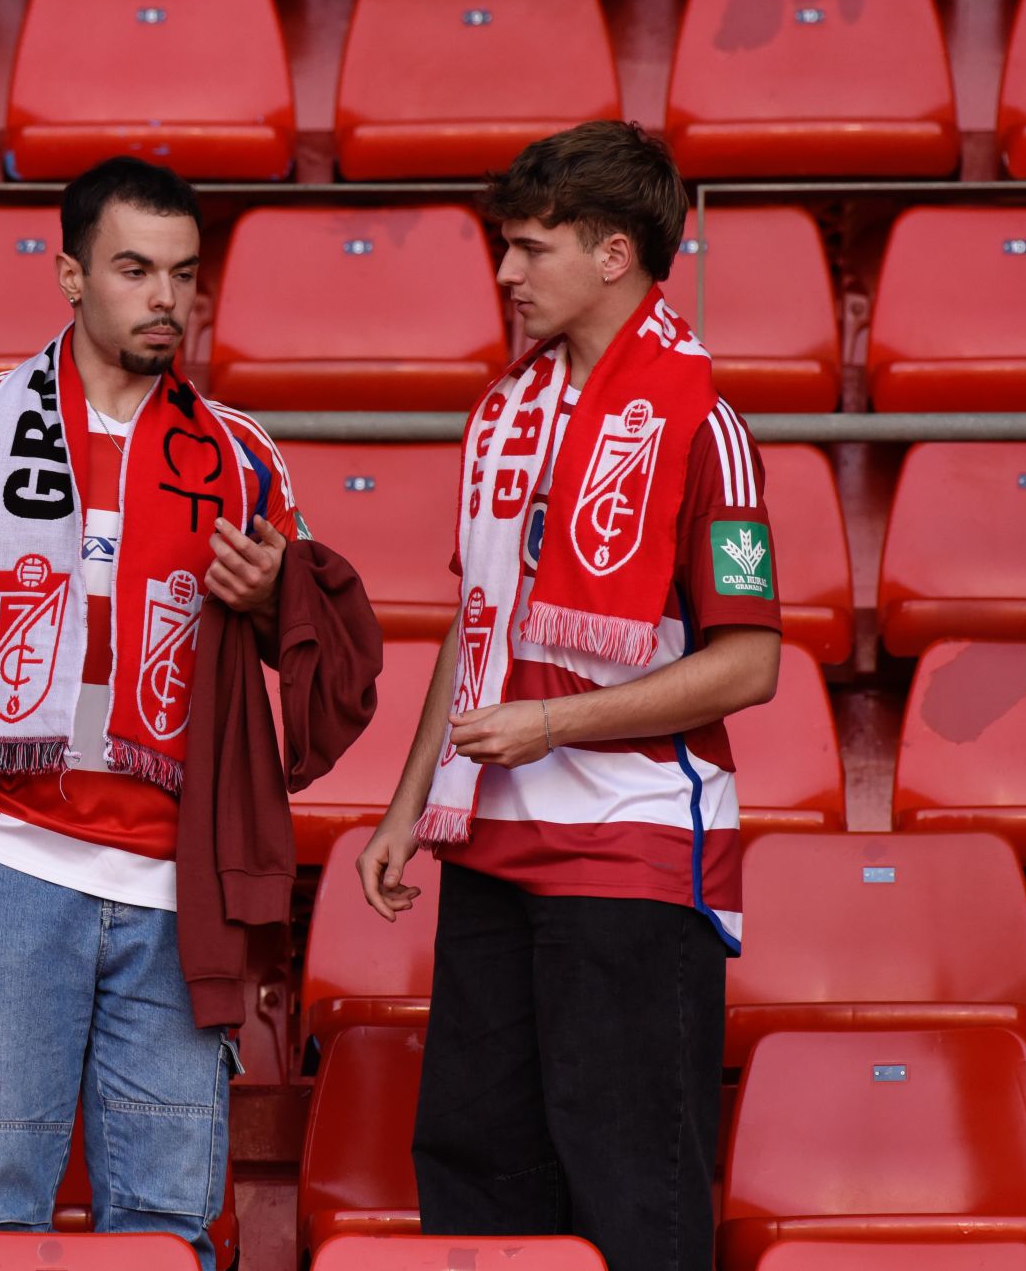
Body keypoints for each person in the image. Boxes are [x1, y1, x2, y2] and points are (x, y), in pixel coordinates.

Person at [0, 156, 300, 1269]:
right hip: (11, 856)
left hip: (180, 881)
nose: (164, 299)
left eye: (183, 274)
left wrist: (279, 599)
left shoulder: (244, 456)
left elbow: (307, 643)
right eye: (135, 270)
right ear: (72, 276)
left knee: (171, 1222)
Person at [356, 121, 782, 1271]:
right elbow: (474, 623)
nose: (505, 273)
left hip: (632, 858)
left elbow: (752, 663)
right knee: (477, 1169)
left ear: (613, 254)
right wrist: (407, 806)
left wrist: (553, 723)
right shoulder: (504, 417)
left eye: (531, 248)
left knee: (632, 1181)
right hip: (492, 844)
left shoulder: (706, 426)